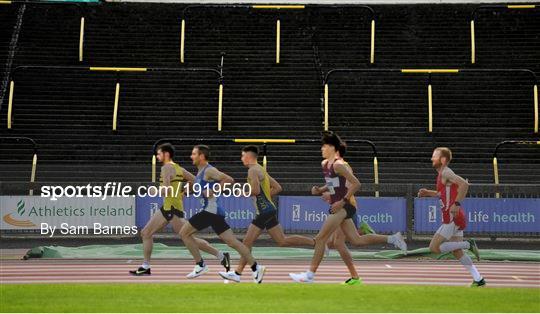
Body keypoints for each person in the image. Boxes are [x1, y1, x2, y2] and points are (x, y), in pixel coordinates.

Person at [290, 132, 407, 283]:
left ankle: (309, 275)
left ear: (333, 148)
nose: (322, 149)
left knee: (320, 239)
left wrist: (342, 201)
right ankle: (392, 239)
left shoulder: (340, 165)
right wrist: (321, 190)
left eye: (324, 146)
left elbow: (356, 184)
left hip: (345, 206)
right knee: (355, 240)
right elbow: (333, 184)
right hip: (338, 206)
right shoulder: (325, 164)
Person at [219, 145, 315, 283]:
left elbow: (256, 191)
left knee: (247, 242)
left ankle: (239, 273)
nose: (241, 159)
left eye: (242, 156)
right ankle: (316, 242)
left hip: (264, 211)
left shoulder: (252, 170)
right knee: (282, 241)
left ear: (248, 156)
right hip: (268, 209)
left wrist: (242, 192)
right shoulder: (261, 170)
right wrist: (266, 200)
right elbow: (278, 188)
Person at [130, 143, 229, 276]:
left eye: (159, 154)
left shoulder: (166, 168)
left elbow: (166, 190)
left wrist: (154, 190)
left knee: (188, 237)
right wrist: (183, 191)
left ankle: (219, 256)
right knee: (146, 233)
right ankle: (146, 266)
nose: (157, 156)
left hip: (172, 208)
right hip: (168, 207)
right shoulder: (179, 169)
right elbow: (196, 181)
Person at [179, 145, 266, 283]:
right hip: (215, 212)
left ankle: (200, 265)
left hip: (210, 211)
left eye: (194, 154)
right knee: (233, 242)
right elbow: (201, 189)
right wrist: (188, 190)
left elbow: (229, 180)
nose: (191, 156)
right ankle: (256, 267)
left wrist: (214, 191)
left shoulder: (209, 170)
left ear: (201, 156)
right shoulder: (200, 172)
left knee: (184, 233)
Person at [418, 147, 485, 287]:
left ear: (442, 160)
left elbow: (465, 184)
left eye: (434, 156)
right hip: (455, 217)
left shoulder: (447, 172)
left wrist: (457, 204)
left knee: (434, 247)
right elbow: (441, 194)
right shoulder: (442, 174)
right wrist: (427, 193)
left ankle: (468, 244)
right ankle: (478, 279)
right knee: (457, 251)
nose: (431, 158)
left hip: (451, 217)